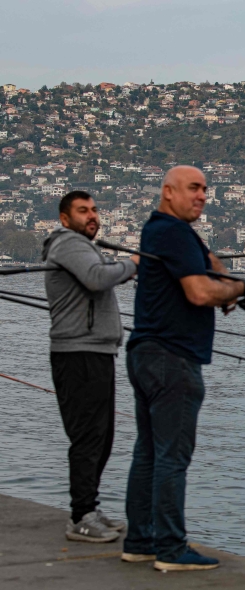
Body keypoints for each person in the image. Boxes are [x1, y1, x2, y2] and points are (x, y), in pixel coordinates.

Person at [122, 166, 245, 572]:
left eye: (205, 189)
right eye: (193, 188)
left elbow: (208, 264)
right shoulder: (172, 231)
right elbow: (200, 291)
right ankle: (171, 549)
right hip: (173, 359)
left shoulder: (164, 231)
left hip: (145, 353)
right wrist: (244, 288)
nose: (202, 195)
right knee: (172, 456)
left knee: (149, 452)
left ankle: (140, 541)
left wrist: (231, 283)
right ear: (168, 192)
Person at [42, 190, 139, 543]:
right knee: (87, 437)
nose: (92, 216)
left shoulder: (82, 246)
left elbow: (98, 276)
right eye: (83, 211)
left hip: (96, 351)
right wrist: (133, 265)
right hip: (77, 353)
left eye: (95, 210)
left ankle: (89, 506)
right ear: (65, 219)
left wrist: (123, 268)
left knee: (103, 437)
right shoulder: (68, 244)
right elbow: (98, 278)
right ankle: (80, 515)